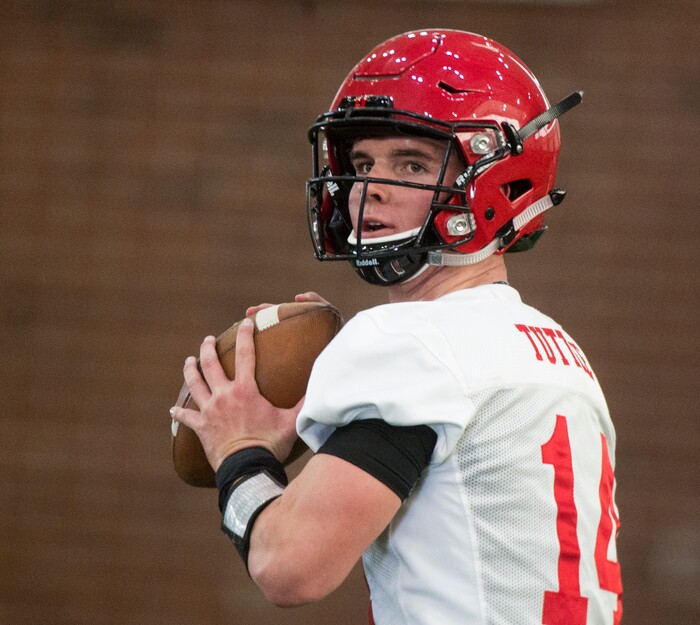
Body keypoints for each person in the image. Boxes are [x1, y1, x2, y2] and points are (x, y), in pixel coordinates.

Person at [170, 29, 623, 625]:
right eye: (361, 164)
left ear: (495, 177)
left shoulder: (406, 342)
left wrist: (239, 450)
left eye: (411, 162)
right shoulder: (559, 351)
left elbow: (289, 565)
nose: (369, 189)